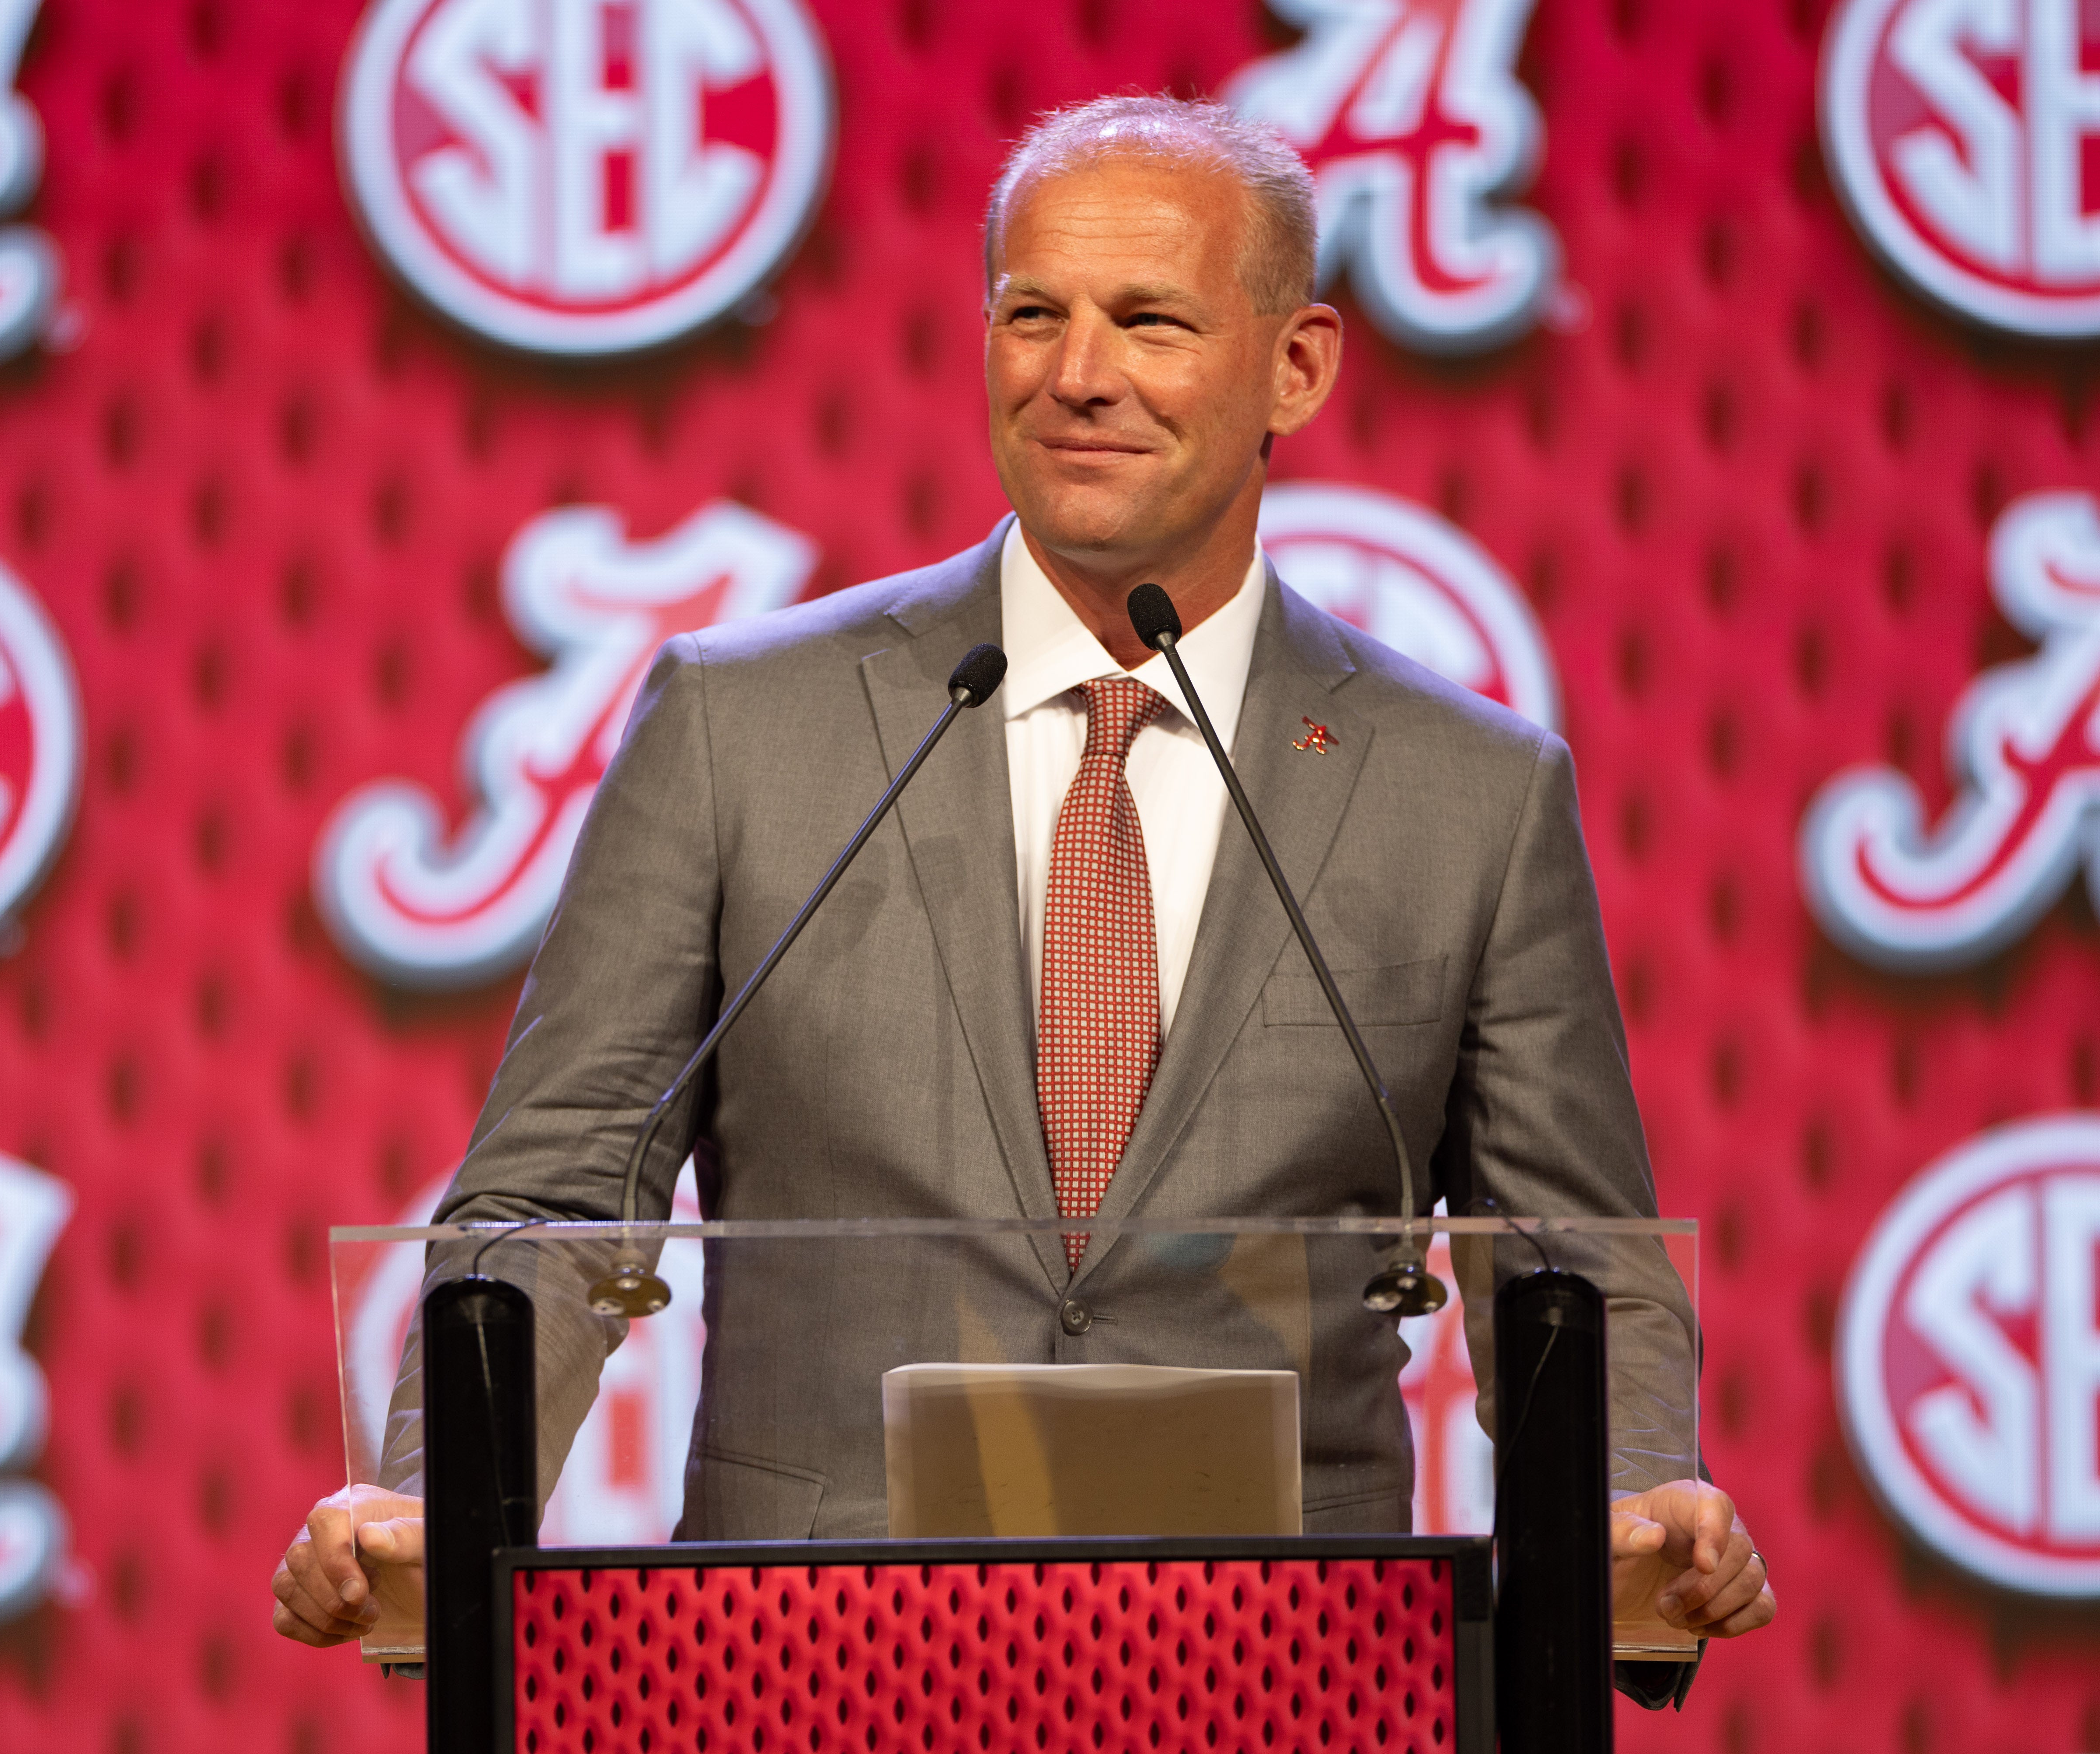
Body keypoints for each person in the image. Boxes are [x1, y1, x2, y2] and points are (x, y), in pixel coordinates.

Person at [272, 95, 1776, 1691]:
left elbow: (1575, 1249)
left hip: (1293, 1670)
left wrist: (1625, 1512)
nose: (1078, 375)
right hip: (807, 1668)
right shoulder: (741, 723)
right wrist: (438, 1501)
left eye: (1150, 321)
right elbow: (560, 1188)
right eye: (1032, 315)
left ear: (1300, 366)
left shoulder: (1468, 792)